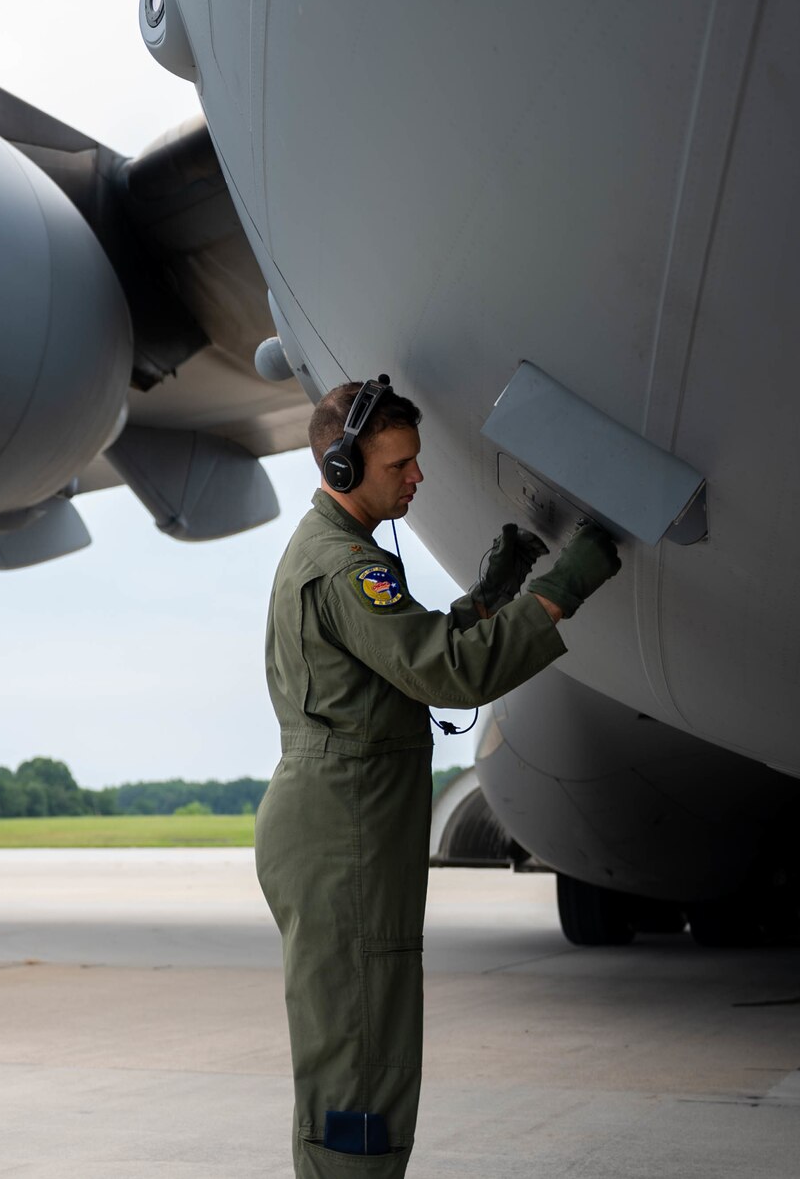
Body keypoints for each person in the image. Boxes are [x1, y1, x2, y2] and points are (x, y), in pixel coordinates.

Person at [257, 376, 620, 1176]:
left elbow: (402, 658)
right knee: (360, 1061)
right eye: (401, 466)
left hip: (344, 827)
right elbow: (450, 677)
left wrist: (491, 593)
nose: (418, 478)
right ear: (345, 469)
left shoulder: (342, 554)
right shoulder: (346, 569)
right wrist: (565, 587)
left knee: (361, 1043)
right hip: (343, 839)